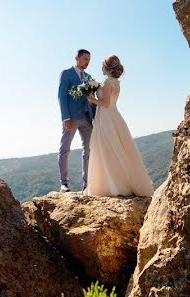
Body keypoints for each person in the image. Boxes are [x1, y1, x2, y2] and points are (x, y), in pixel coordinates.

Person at [84, 55, 153, 197]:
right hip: (113, 115)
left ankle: (113, 184)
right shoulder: (115, 81)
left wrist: (91, 99)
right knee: (116, 146)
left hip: (107, 117)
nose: (101, 67)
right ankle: (114, 181)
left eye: (102, 65)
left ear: (107, 67)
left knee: (108, 147)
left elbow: (106, 103)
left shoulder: (108, 82)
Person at [57, 49, 96, 192]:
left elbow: (91, 99)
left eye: (89, 60)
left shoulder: (89, 77)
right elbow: (61, 96)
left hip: (87, 118)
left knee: (88, 150)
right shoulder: (66, 73)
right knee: (65, 149)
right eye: (85, 59)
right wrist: (65, 117)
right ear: (77, 58)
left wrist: (95, 116)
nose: (87, 62)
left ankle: (87, 184)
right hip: (71, 118)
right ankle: (64, 183)